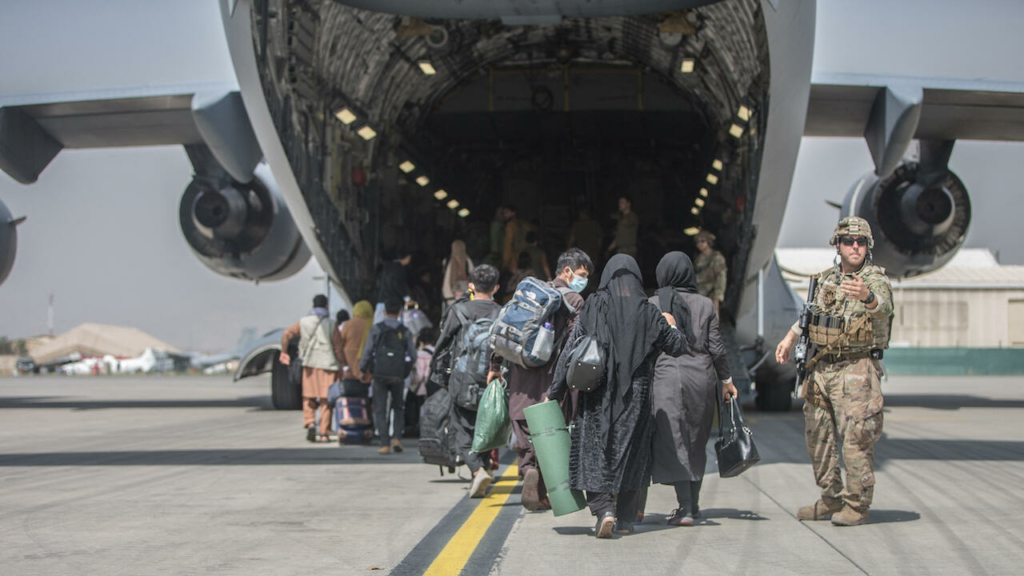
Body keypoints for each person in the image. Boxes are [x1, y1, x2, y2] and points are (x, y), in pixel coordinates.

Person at [548, 255, 685, 538]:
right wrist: (670, 324)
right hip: (636, 397)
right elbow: (678, 347)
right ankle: (623, 518)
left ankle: (603, 510)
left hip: (597, 395)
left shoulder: (594, 306)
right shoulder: (648, 312)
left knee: (594, 453)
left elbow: (572, 350)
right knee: (632, 456)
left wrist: (556, 390)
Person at [775, 216, 894, 527]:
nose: (855, 247)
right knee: (819, 437)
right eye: (848, 241)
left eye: (861, 242)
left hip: (856, 369)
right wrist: (789, 339)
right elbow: (810, 315)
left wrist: (866, 296)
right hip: (821, 370)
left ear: (868, 247)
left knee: (856, 438)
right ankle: (830, 498)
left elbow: (883, 306)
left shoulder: (874, 280)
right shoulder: (827, 278)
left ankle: (856, 506)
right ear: (837, 245)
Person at [487, 248, 593, 511]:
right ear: (567, 270)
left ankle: (527, 471)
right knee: (549, 431)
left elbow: (505, 328)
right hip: (551, 379)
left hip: (521, 376)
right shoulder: (575, 300)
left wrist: (495, 365)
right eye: (581, 273)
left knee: (523, 424)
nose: (583, 279)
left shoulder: (531, 292)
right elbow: (574, 344)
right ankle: (540, 480)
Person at [649, 252, 737, 526]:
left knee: (674, 441)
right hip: (702, 378)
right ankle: (694, 506)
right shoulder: (706, 305)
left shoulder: (653, 303)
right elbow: (717, 348)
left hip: (666, 378)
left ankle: (685, 507)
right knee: (696, 441)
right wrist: (726, 380)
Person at [433, 264, 502, 497]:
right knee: (486, 426)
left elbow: (442, 346)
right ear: (496, 288)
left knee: (461, 428)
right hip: (492, 380)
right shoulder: (501, 313)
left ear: (471, 286)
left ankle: (476, 470)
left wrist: (440, 376)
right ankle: (483, 467)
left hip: (463, 380)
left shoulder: (458, 311)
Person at [280, 294, 346, 442]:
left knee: (309, 397)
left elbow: (287, 333)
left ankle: (310, 423)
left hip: (309, 365)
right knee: (326, 401)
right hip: (328, 365)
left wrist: (284, 352)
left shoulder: (303, 322)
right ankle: (324, 433)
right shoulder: (331, 324)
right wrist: (344, 364)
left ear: (313, 306)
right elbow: (338, 348)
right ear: (327, 306)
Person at [361, 299, 417, 454]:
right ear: (400, 312)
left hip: (379, 374)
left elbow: (367, 352)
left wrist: (362, 369)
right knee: (398, 407)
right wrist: (405, 369)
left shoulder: (376, 329)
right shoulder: (405, 331)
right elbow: (413, 355)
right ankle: (397, 438)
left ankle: (384, 443)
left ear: (384, 312)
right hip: (398, 375)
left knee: (380, 409)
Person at [338, 301, 374, 394]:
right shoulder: (373, 325)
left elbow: (340, 343)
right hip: (367, 365)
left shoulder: (348, 324)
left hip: (349, 363)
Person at [375, 248, 415, 323]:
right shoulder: (399, 269)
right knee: (396, 328)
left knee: (378, 327)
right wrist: (407, 298)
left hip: (381, 302)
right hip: (393, 306)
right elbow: (397, 284)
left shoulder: (387, 267)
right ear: (408, 257)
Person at [694, 230, 727, 314]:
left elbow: (721, 277)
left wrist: (717, 297)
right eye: (697, 241)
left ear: (709, 241)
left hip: (710, 295)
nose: (699, 243)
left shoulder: (716, 257)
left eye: (702, 241)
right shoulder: (699, 259)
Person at [442, 239, 474, 311]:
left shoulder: (447, 261)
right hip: (464, 299)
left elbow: (446, 282)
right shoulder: (467, 261)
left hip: (450, 298)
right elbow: (473, 278)